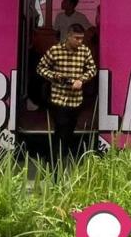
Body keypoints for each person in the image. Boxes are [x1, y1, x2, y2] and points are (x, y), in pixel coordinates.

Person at [37, 22, 97, 162]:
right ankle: (55, 157)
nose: (79, 41)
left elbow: (92, 69)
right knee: (61, 127)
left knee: (69, 128)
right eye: (76, 38)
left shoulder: (84, 51)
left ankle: (57, 154)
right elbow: (41, 68)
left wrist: (81, 80)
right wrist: (55, 77)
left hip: (76, 99)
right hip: (59, 97)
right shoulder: (55, 50)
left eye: (81, 38)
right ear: (68, 36)